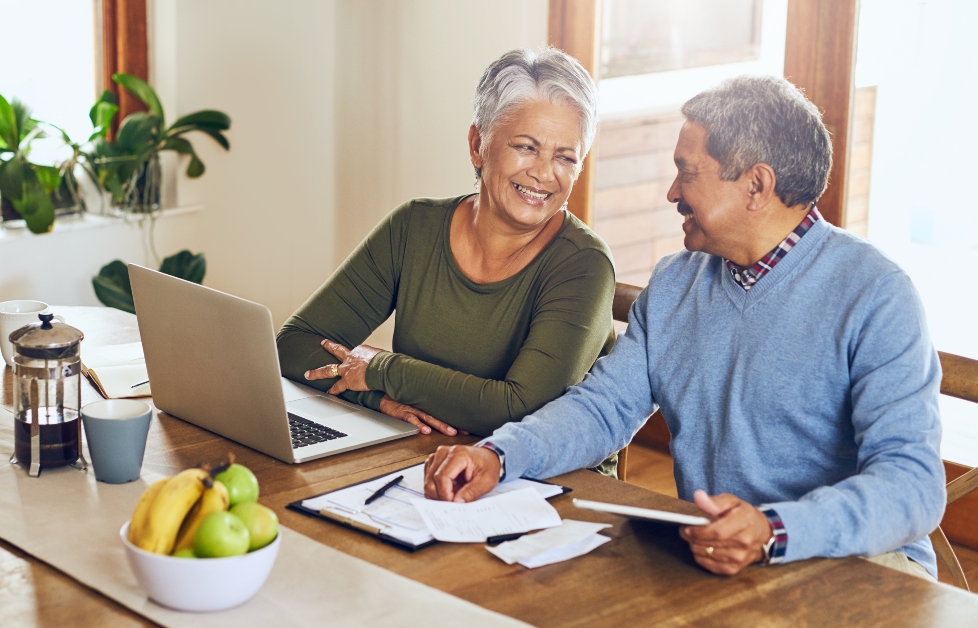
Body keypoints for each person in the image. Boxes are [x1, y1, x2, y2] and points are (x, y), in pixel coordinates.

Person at [422, 75, 946, 579]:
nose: (672, 192)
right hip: (720, 559)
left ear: (756, 185)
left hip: (858, 566)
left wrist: (773, 531)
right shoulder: (676, 282)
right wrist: (499, 455)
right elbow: (602, 408)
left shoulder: (876, 294)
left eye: (687, 172)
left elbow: (913, 487)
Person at [276, 48, 620, 474]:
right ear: (478, 145)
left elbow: (522, 409)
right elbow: (294, 345)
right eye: (526, 147)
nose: (544, 173)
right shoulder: (413, 227)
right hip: (424, 458)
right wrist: (375, 396)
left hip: (547, 481)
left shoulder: (585, 265)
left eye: (565, 157)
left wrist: (383, 369)